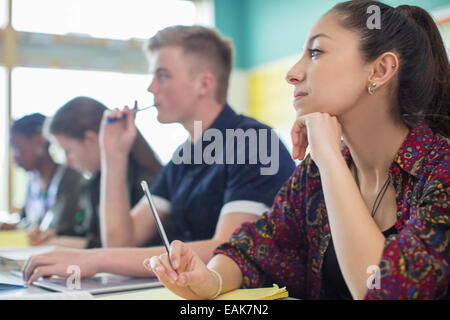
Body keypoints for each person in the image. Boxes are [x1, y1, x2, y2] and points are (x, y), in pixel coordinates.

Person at [146, 1, 449, 300]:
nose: (292, 73)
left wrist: (330, 158)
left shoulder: (440, 169)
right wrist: (210, 280)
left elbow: (384, 289)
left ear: (380, 70)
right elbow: (254, 247)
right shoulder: (314, 174)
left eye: (316, 52)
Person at [22, 26, 295, 282]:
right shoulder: (183, 157)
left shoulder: (255, 142)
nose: (151, 87)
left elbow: (227, 250)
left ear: (204, 84)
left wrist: (96, 259)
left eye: (162, 75)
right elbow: (120, 241)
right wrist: (114, 157)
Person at [41, 96, 163, 248]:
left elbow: (123, 247)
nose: (67, 161)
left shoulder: (146, 184)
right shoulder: (92, 182)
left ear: (91, 140)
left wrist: (82, 244)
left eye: (68, 151)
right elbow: (93, 232)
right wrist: (57, 235)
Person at [5, 113, 85, 247]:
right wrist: (16, 226)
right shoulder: (32, 181)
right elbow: (29, 221)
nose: (14, 157)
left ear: (39, 140)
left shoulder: (71, 179)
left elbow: (69, 229)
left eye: (18, 148)